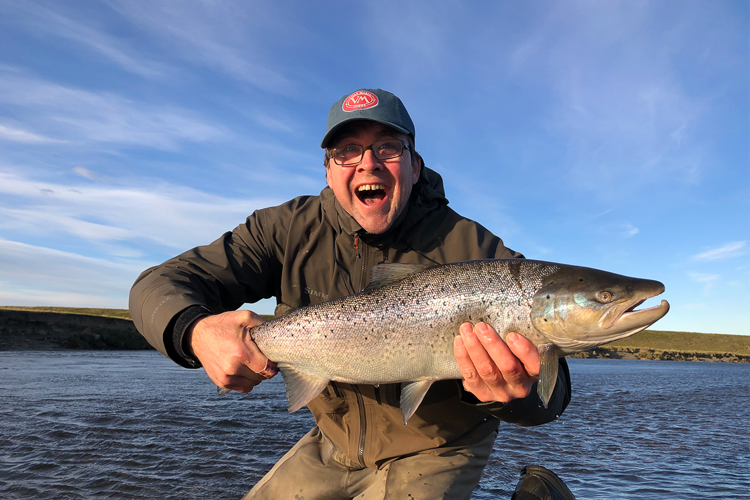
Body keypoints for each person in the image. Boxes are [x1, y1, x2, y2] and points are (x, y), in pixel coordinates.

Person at [129, 88, 572, 499]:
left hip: (441, 447)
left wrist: (510, 394)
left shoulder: (482, 253)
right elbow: (157, 285)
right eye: (347, 150)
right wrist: (194, 330)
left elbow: (551, 401)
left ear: (415, 166)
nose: (368, 163)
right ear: (328, 170)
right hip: (333, 443)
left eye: (388, 147)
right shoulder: (283, 231)